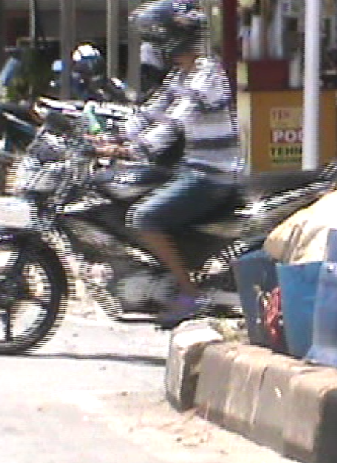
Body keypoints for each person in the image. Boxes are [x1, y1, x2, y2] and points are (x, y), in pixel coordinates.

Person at [97, 0, 242, 327]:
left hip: (213, 175)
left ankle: (190, 294)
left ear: (173, 37)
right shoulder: (182, 74)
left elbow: (172, 124)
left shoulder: (206, 75)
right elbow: (150, 113)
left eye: (155, 37)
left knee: (143, 216)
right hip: (193, 168)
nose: (151, 45)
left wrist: (129, 150)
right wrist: (106, 136)